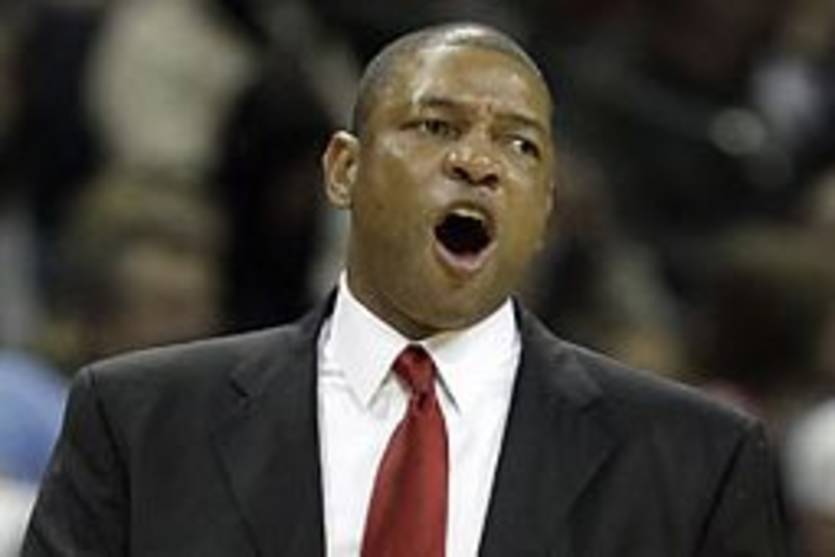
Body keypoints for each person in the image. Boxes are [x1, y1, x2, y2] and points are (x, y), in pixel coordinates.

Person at [23, 22, 790, 556]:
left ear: (545, 209)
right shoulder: (139, 421)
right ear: (343, 170)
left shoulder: (694, 459)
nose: (477, 163)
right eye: (435, 126)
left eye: (518, 145)